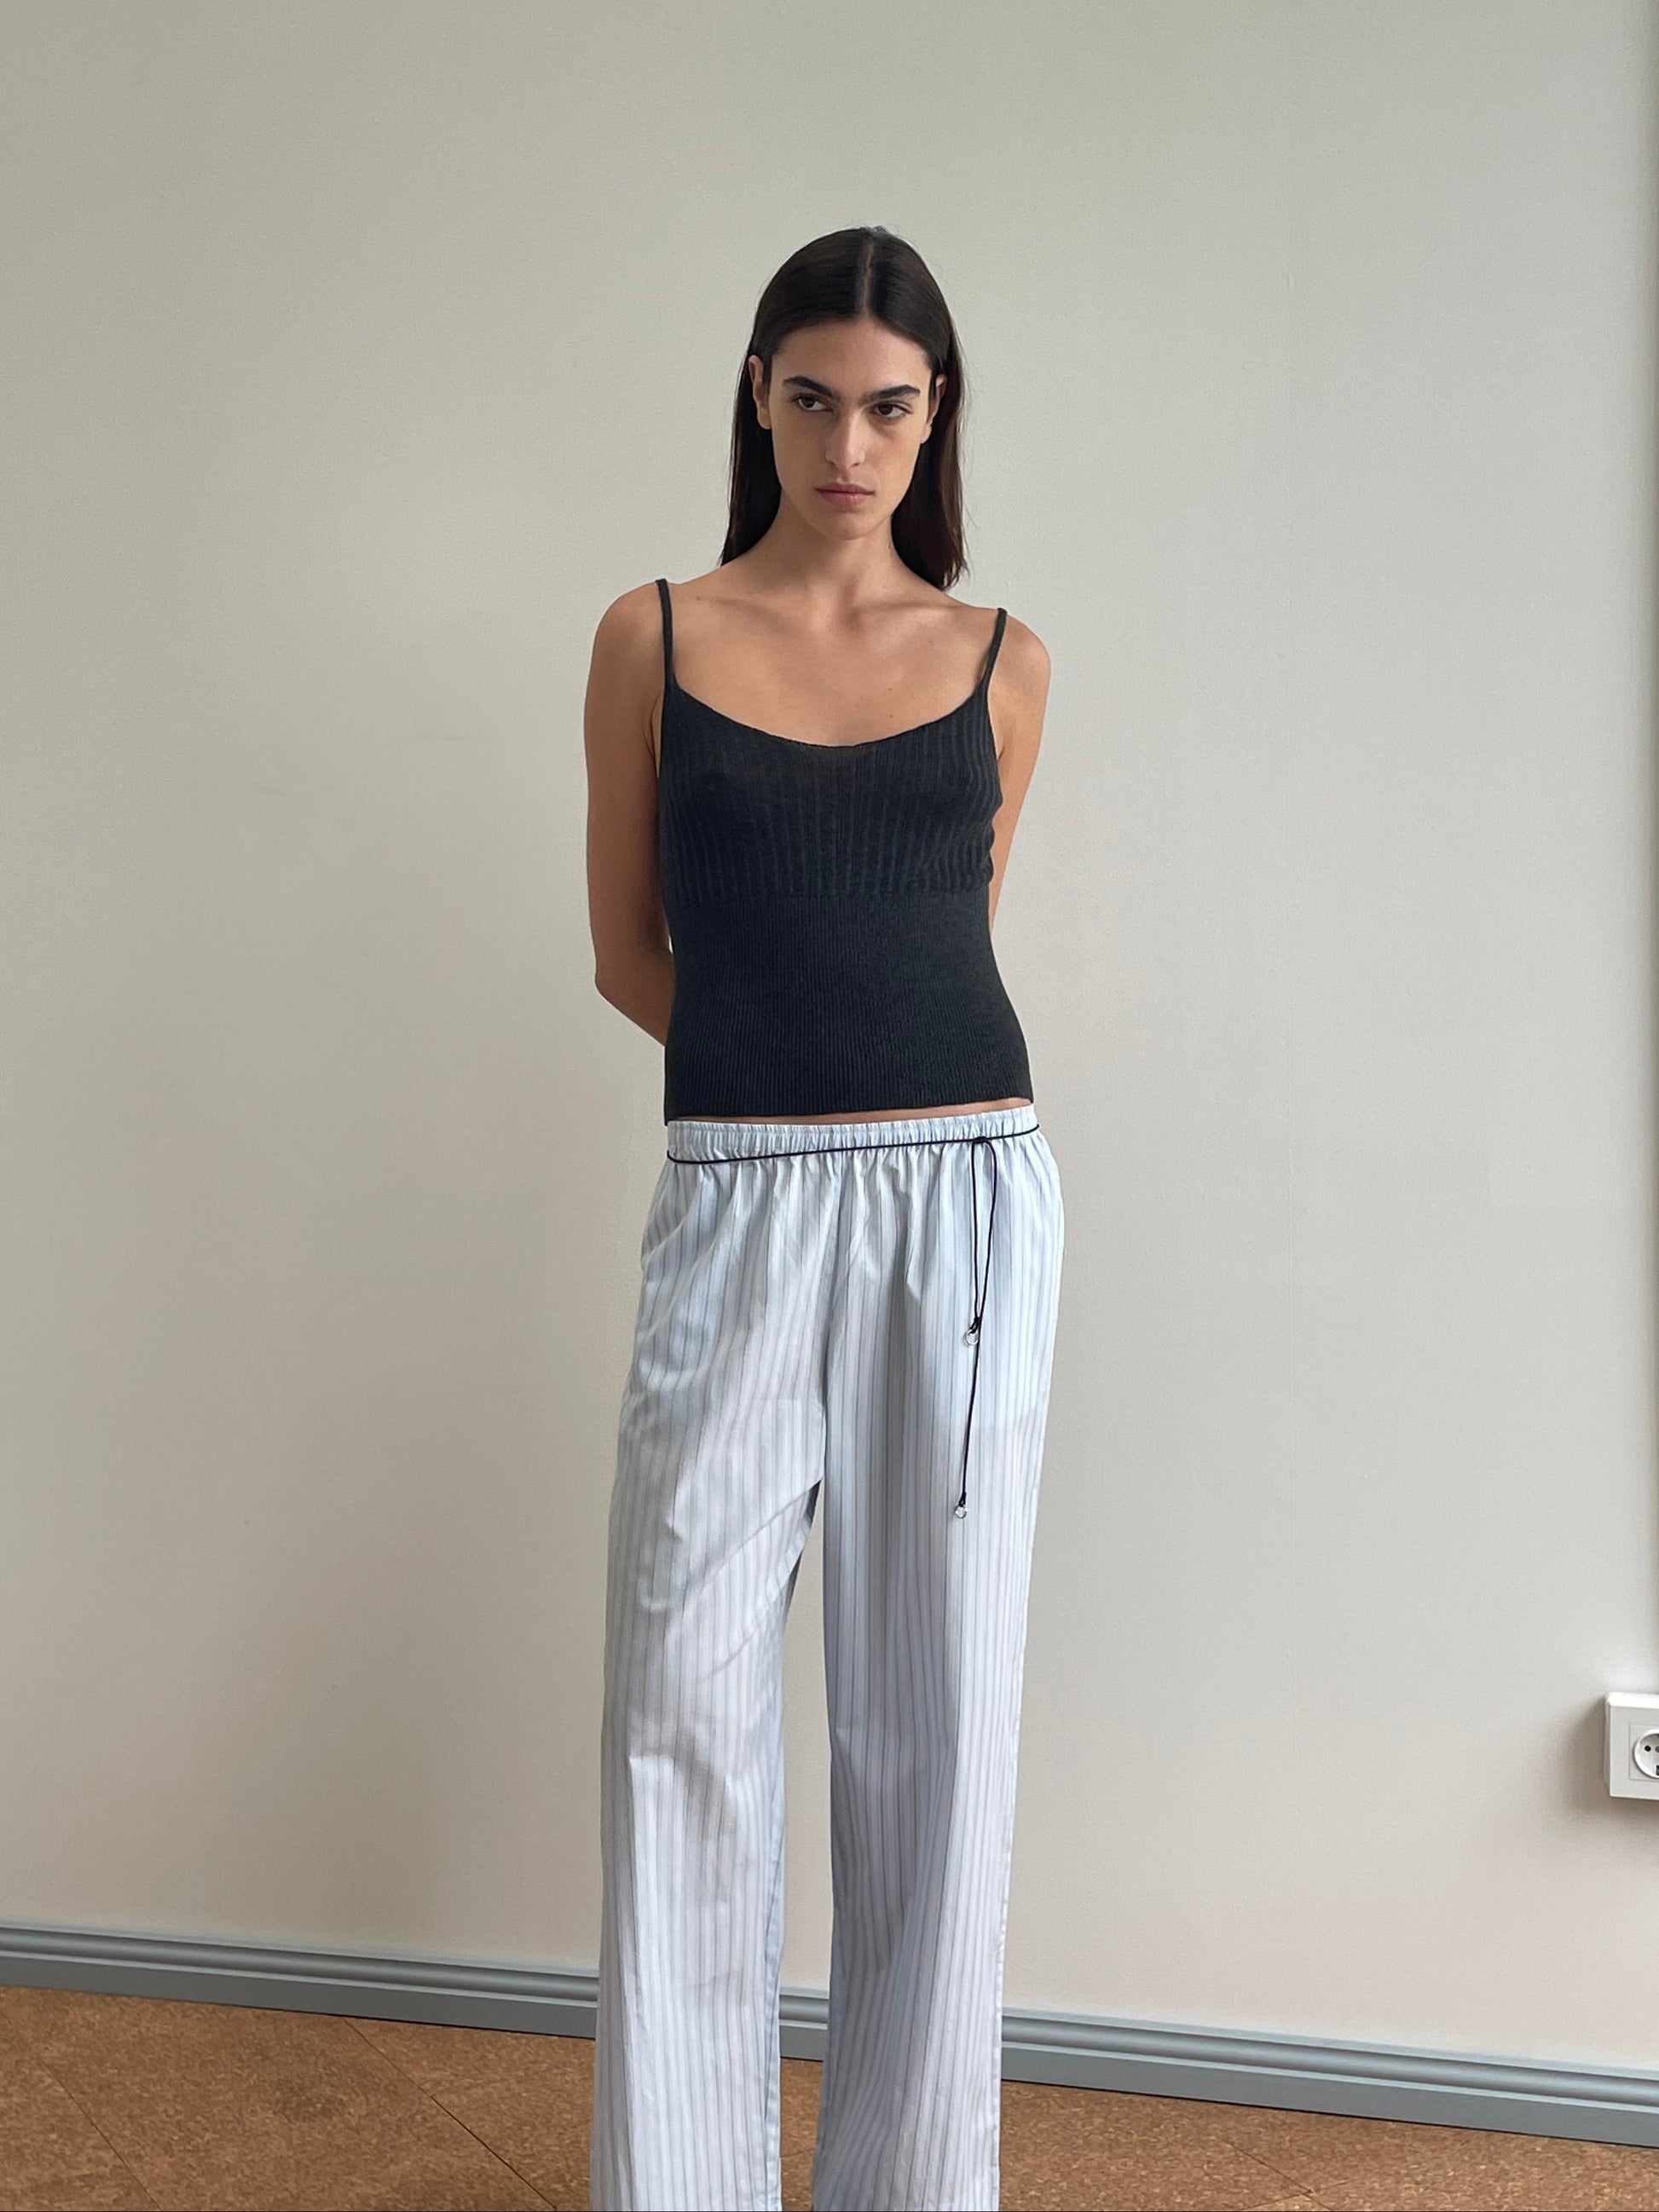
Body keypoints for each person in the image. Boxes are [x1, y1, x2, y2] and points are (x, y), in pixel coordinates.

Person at [582, 223, 1066, 2212]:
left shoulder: (1002, 660)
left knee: (933, 1728)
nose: (845, 442)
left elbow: (948, 935)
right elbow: (631, 952)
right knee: (677, 1697)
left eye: (887, 404)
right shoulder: (654, 635)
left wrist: (875, 1107)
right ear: (756, 403)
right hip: (736, 1199)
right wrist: (782, 1093)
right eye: (809, 397)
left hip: (966, 1200)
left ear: (932, 417)